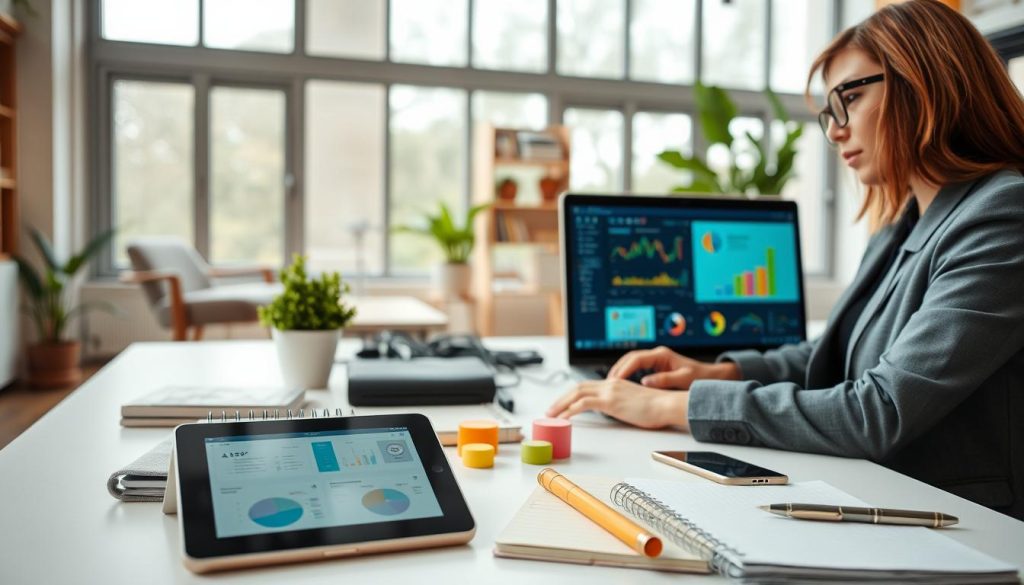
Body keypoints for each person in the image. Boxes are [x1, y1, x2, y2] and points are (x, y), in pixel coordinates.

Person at [547, 0, 1024, 520]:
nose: (836, 131)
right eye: (828, 114)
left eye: (850, 99)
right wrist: (716, 372)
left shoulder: (1002, 214)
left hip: (959, 522)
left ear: (923, 82)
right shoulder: (902, 226)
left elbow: (879, 409)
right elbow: (835, 355)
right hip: (875, 492)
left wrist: (670, 407)